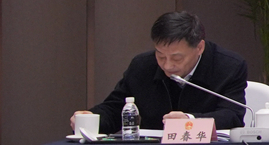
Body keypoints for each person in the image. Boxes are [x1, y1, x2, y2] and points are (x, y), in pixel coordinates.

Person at [92, 11, 248, 129]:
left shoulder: (229, 66)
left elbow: (232, 115)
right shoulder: (142, 66)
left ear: (199, 47)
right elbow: (116, 108)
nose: (167, 66)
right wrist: (91, 118)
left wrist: (190, 121)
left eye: (177, 58)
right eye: (160, 56)